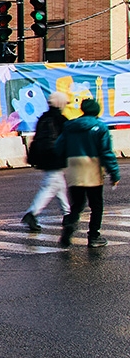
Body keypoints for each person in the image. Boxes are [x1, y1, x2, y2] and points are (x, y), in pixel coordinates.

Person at [57, 98, 120, 248]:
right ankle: (94, 236)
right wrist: (114, 174)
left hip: (73, 166)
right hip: (92, 167)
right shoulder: (100, 127)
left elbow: (59, 147)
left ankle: (70, 224)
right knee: (96, 204)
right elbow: (106, 152)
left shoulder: (69, 126)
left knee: (77, 204)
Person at [22, 92, 70, 232]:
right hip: (55, 157)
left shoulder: (44, 118)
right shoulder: (60, 119)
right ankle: (32, 214)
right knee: (49, 188)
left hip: (45, 157)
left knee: (59, 186)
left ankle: (67, 214)